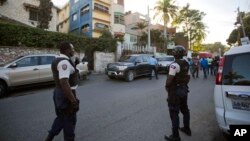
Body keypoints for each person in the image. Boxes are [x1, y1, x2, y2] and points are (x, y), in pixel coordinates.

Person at [45, 41, 80, 141]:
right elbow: (64, 83)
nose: (73, 50)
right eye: (72, 49)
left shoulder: (59, 59)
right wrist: (73, 101)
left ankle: (49, 138)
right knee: (70, 121)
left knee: (61, 118)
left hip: (58, 93)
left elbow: (68, 73)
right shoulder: (64, 62)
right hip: (67, 95)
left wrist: (74, 63)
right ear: (67, 50)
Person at [164, 45, 191, 141]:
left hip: (175, 92)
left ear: (175, 53)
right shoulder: (186, 63)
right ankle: (187, 129)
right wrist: (183, 84)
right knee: (185, 110)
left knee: (174, 112)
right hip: (184, 89)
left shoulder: (174, 65)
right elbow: (188, 77)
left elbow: (169, 79)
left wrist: (167, 87)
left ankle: (175, 136)